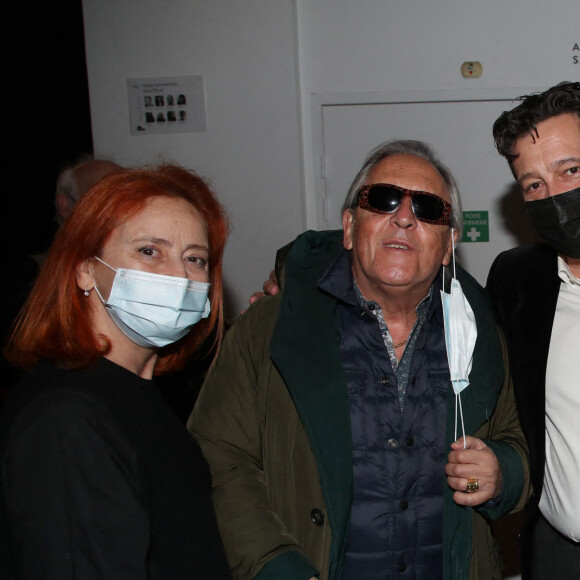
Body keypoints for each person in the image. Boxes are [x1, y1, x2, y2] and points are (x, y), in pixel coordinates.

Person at [189, 140, 529, 579]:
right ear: (349, 227)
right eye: (384, 200)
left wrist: (504, 472)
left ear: (448, 245)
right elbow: (221, 457)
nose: (404, 217)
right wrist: (276, 567)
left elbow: (523, 437)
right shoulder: (271, 329)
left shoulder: (480, 336)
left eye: (428, 208)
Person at [0, 164, 231, 578]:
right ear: (85, 268)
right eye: (149, 251)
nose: (179, 275)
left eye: (195, 258)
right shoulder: (66, 416)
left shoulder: (142, 392)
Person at [488, 80, 580, 579]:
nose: (556, 195)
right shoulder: (517, 279)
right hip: (560, 554)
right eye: (534, 185)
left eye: (571, 170)